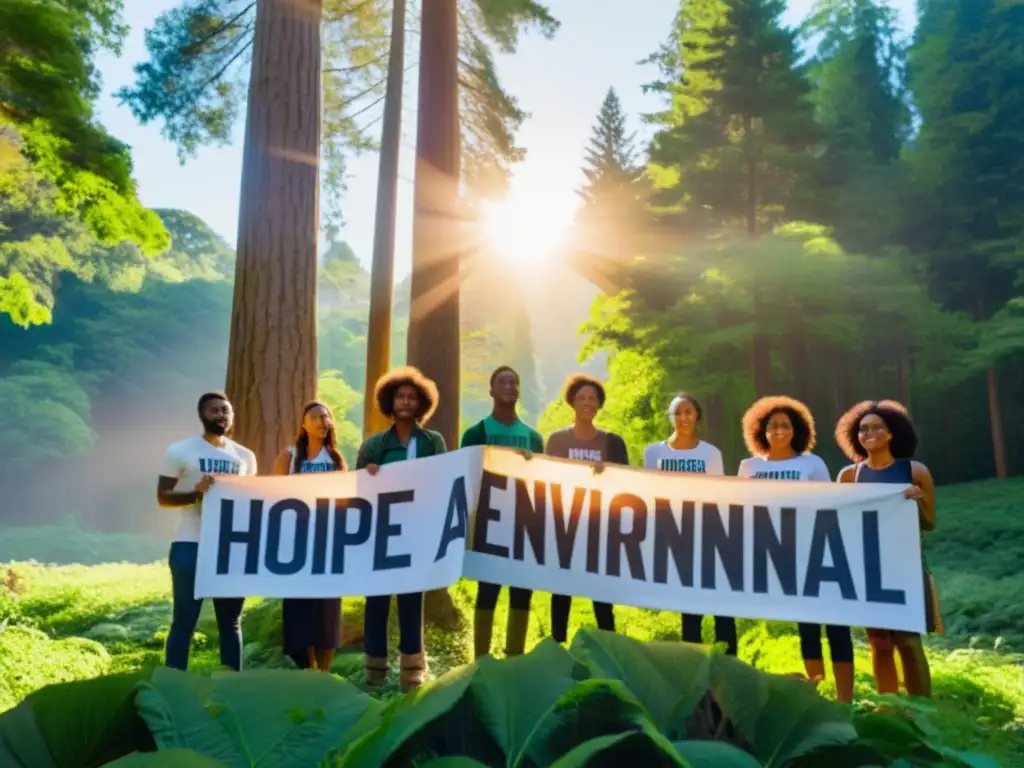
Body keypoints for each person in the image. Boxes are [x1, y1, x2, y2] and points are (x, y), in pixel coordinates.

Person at [737, 396, 853, 703]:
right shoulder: (748, 467)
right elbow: (742, 510)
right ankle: (815, 699)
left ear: (796, 429)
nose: (779, 430)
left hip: (818, 549)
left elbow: (830, 505)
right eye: (772, 425)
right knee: (808, 626)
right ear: (760, 430)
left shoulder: (812, 463)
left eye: (785, 425)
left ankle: (844, 701)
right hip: (780, 555)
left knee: (837, 625)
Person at [836, 400, 940, 699]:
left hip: (905, 564)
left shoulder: (915, 471)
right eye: (862, 429)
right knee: (879, 641)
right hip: (868, 565)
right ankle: (888, 706)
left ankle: (922, 712)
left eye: (876, 427)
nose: (868, 433)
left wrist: (918, 501)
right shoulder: (849, 476)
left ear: (891, 433)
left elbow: (930, 523)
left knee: (908, 640)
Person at [356, 366, 447, 691]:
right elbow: (357, 489)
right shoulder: (375, 444)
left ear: (421, 403)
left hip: (416, 533)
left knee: (411, 601)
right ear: (390, 402)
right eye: (400, 396)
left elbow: (443, 480)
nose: (406, 402)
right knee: (377, 601)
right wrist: (368, 473)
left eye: (412, 397)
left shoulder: (432, 441)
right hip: (381, 533)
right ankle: (374, 672)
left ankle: (413, 672)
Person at [157, 391, 257, 671]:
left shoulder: (245, 456)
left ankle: (231, 685)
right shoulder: (180, 451)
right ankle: (173, 682)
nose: (221, 415)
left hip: (229, 547)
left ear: (232, 416)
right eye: (214, 410)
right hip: (191, 543)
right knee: (184, 620)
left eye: (225, 411)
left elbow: (250, 499)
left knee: (231, 622)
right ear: (202, 415)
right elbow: (163, 496)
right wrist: (196, 493)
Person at [460, 365, 544, 659]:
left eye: (514, 382)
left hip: (522, 523)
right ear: (491, 390)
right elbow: (467, 478)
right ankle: (480, 659)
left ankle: (515, 657)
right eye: (503, 382)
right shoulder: (475, 434)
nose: (509, 386)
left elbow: (543, 483)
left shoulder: (534, 438)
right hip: (487, 523)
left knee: (522, 590)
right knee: (488, 589)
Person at [642, 394, 736, 655]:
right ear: (670, 417)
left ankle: (728, 674)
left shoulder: (711, 453)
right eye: (677, 412)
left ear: (697, 417)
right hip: (674, 540)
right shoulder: (653, 453)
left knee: (723, 611)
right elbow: (649, 495)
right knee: (690, 613)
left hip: (709, 540)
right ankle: (695, 676)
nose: (683, 417)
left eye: (689, 412)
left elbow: (719, 496)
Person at [544, 373, 629, 643]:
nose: (587, 403)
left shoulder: (613, 442)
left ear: (599, 404)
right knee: (561, 592)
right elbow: (545, 478)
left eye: (592, 398)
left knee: (602, 596)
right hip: (566, 525)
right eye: (581, 397)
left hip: (600, 527)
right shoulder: (557, 440)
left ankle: (610, 649)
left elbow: (629, 484)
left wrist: (611, 473)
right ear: (572, 402)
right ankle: (558, 648)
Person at [271, 400, 346, 673]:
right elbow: (272, 497)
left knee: (327, 613)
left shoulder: (336, 459)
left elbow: (347, 500)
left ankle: (324, 673)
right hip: (296, 548)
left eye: (326, 417)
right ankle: (306, 670)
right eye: (314, 417)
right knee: (299, 610)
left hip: (327, 547)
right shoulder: (289, 457)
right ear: (303, 424)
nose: (322, 422)